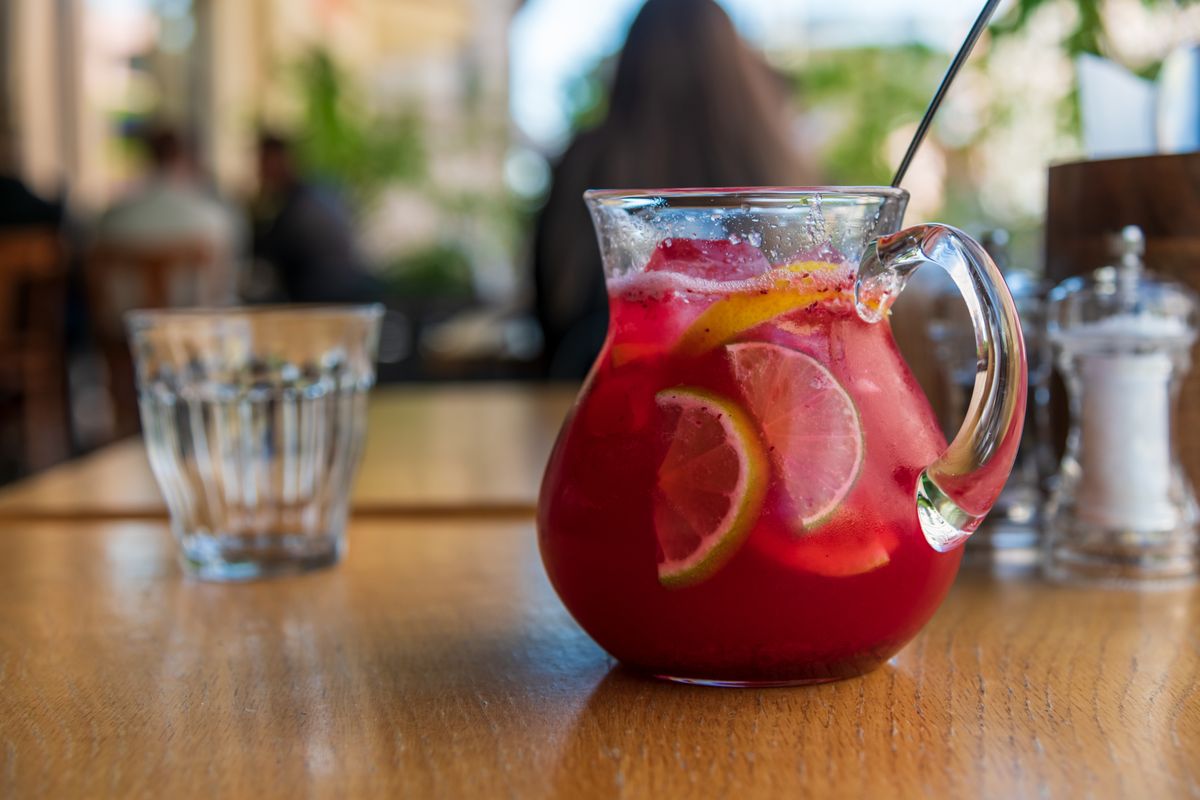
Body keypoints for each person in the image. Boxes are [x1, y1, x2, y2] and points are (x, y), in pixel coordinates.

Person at [532, 0, 816, 378]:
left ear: (632, 64)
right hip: (751, 397)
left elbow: (547, 303)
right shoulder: (777, 167)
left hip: (592, 383)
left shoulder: (584, 159)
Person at [94, 126, 242, 306]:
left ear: (146, 157)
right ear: (185, 158)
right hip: (197, 326)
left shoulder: (110, 220)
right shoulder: (214, 219)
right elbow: (226, 285)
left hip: (125, 329)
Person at [252, 133, 383, 304]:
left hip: (330, 298)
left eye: (263, 161)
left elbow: (272, 250)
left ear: (280, 159)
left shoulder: (303, 204)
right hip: (344, 291)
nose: (259, 171)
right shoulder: (317, 192)